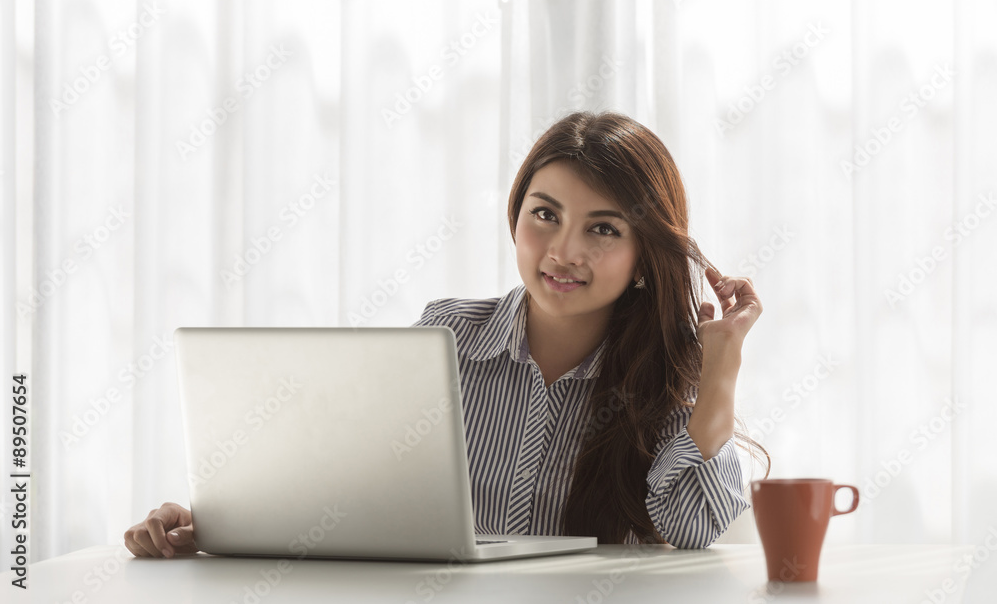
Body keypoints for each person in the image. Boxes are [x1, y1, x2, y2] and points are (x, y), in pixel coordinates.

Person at [124, 110, 767, 557]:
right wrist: (205, 525)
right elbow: (345, 491)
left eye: (603, 228)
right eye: (545, 215)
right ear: (516, 220)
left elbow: (692, 530)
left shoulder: (666, 369)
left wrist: (720, 374)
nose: (563, 250)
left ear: (643, 254)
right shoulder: (448, 336)